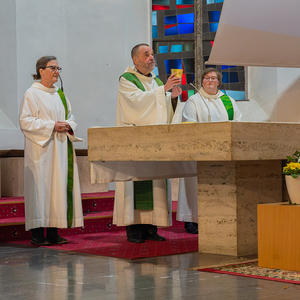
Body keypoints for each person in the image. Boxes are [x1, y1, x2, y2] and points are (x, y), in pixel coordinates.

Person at [114, 43, 182, 243]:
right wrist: (164, 91)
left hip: (154, 142)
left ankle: (151, 228)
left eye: (152, 54)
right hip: (134, 141)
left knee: (156, 182)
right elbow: (136, 105)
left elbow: (161, 108)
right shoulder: (127, 80)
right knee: (136, 182)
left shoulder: (156, 81)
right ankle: (134, 229)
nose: (151, 57)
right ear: (135, 60)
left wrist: (172, 99)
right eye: (146, 55)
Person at [19, 56, 84, 246]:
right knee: (42, 189)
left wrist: (68, 125)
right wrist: (51, 126)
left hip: (61, 149)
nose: (57, 71)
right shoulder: (31, 94)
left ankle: (54, 231)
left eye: (58, 68)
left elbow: (71, 117)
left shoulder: (60, 95)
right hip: (42, 150)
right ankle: (37, 234)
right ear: (41, 71)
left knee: (58, 189)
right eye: (52, 68)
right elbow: (25, 121)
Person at [177, 67, 242, 233]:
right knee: (194, 183)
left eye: (213, 78)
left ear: (219, 82)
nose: (210, 81)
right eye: (206, 78)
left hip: (223, 151)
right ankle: (191, 220)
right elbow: (189, 123)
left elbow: (238, 123)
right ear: (202, 81)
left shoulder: (228, 101)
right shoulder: (194, 101)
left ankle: (217, 217)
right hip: (199, 151)